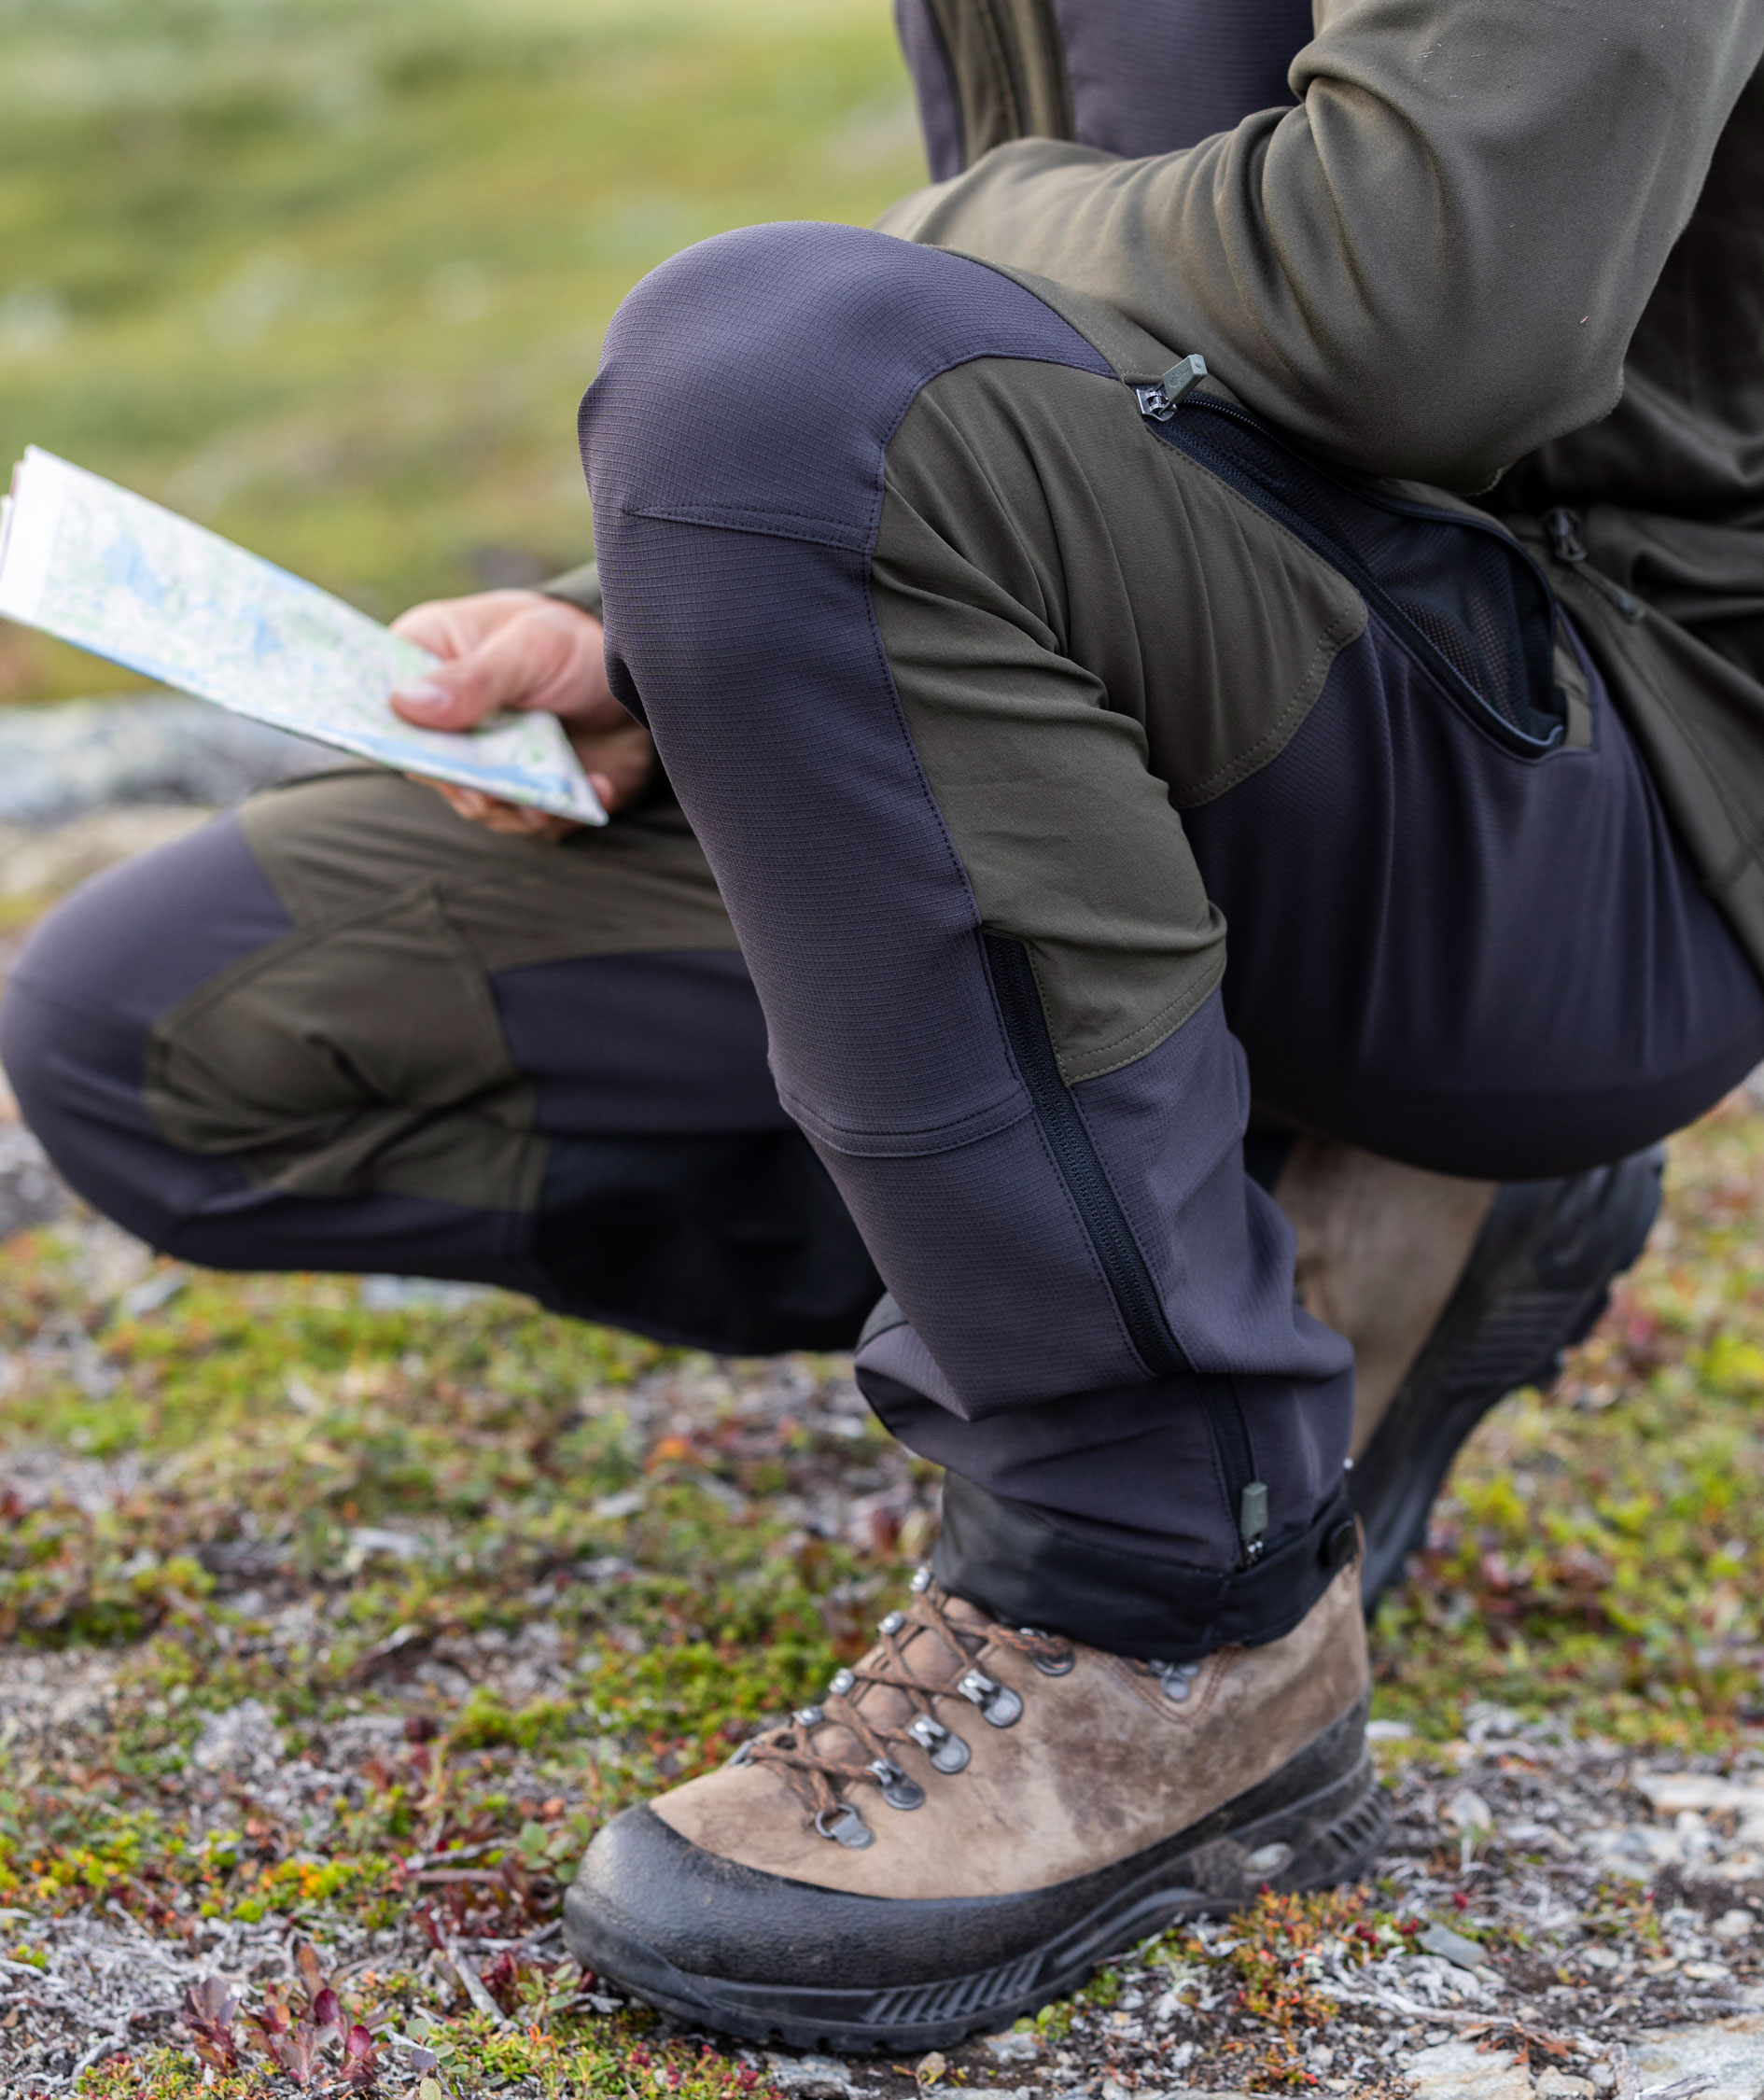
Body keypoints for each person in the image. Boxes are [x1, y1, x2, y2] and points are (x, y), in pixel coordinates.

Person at [7, 0, 1764, 2054]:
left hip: (1594, 789)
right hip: (1206, 701)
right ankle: (1327, 1217)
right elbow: (1129, 389)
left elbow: (1437, 294)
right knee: (184, 1032)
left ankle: (1171, 1594)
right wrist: (675, 617)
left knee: (762, 380)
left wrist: (864, 368)